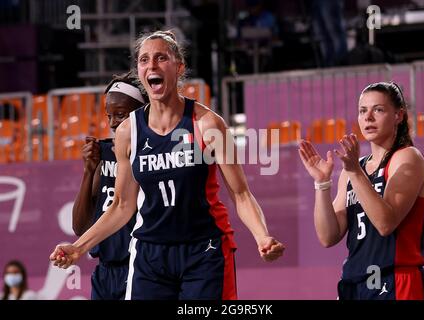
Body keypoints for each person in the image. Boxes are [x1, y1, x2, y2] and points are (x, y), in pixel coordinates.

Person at [51, 30, 284, 300]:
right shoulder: (129, 132)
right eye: (144, 60)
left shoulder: (207, 124)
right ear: (139, 71)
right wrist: (78, 248)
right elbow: (121, 206)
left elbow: (240, 193)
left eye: (161, 58)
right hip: (151, 253)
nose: (151, 65)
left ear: (179, 66)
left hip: (204, 250)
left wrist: (262, 237)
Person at [299, 81, 424, 300]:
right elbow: (327, 236)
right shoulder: (354, 168)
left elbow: (385, 223)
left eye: (378, 110)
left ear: (398, 115)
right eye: (363, 111)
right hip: (356, 282)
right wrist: (322, 184)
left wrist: (354, 172)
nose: (368, 117)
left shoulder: (408, 157)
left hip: (396, 282)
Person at [71, 71, 147, 300]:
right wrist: (88, 171)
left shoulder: (153, 157)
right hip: (105, 272)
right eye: (109, 116)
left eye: (121, 115)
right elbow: (80, 228)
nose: (113, 123)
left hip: (140, 267)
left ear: (142, 113)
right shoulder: (104, 156)